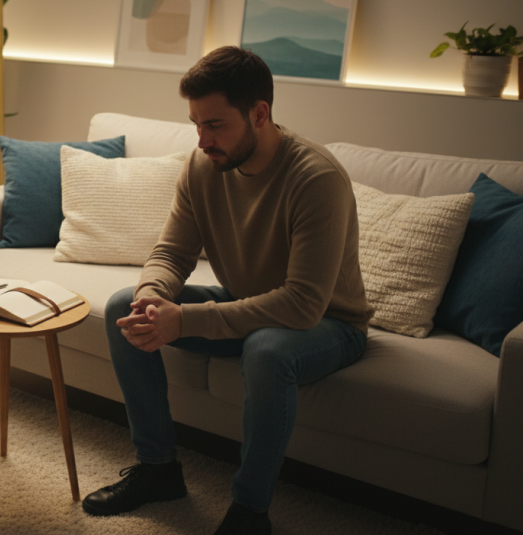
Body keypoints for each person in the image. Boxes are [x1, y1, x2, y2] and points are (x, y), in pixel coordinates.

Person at [82, 46, 373, 534]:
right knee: (122, 307)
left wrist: (187, 319)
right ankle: (158, 471)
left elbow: (302, 304)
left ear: (260, 114)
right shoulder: (202, 166)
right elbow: (172, 252)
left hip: (329, 324)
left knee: (268, 350)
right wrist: (153, 296)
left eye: (215, 125)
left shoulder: (316, 178)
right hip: (248, 307)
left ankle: (250, 512)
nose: (202, 139)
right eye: (196, 123)